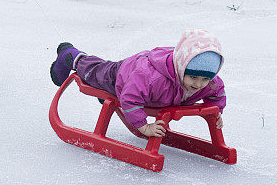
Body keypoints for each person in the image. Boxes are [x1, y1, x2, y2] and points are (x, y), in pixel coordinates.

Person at [49, 29, 226, 137]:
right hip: (125, 75)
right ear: (181, 68)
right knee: (95, 72)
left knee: (121, 86)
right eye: (193, 77)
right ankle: (70, 55)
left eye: (205, 79)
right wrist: (143, 127)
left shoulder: (209, 83)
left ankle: (109, 94)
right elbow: (130, 97)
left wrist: (214, 112)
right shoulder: (151, 79)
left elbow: (218, 93)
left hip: (142, 83)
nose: (198, 84)